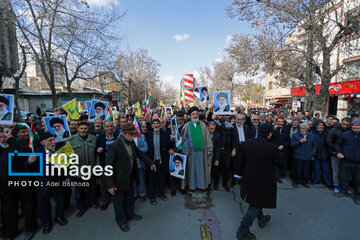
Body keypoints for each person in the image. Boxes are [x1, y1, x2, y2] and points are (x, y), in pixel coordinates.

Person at [235, 124, 285, 240]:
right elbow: (282, 164)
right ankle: (242, 231)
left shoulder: (247, 143)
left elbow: (240, 160)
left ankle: (261, 219)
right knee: (256, 204)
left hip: (249, 179)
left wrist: (238, 174)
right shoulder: (272, 148)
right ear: (270, 134)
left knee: (257, 201)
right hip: (264, 182)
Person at [104, 123, 156, 232]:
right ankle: (122, 221)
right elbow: (108, 167)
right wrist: (110, 185)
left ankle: (130, 214)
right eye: (131, 134)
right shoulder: (114, 146)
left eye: (133, 134)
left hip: (130, 177)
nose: (133, 136)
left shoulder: (131, 143)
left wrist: (150, 163)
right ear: (124, 134)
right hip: (118, 181)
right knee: (119, 202)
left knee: (130, 198)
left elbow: (140, 154)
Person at [0, 128, 37, 240]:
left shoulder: (19, 145)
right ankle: (10, 232)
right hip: (6, 186)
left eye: (4, 137)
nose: (3, 139)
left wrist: (11, 139)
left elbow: (25, 153)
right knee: (8, 209)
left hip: (23, 183)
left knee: (28, 207)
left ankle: (30, 229)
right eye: (0, 138)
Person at [33, 132, 68, 235]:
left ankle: (59, 217)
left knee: (60, 200)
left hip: (57, 181)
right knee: (43, 204)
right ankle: (46, 223)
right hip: (43, 183)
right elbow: (28, 167)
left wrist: (66, 177)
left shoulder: (59, 149)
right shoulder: (36, 152)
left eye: (54, 139)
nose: (53, 142)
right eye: (50, 140)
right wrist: (30, 161)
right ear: (42, 143)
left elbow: (65, 164)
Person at [67, 122, 98, 217]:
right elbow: (67, 158)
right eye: (81, 128)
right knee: (80, 191)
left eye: (85, 128)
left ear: (88, 129)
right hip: (78, 171)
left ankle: (92, 202)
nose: (83, 130)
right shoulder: (71, 141)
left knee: (92, 189)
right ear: (78, 129)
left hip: (91, 169)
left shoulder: (93, 139)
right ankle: (82, 207)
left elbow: (97, 155)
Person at [182, 106, 213, 192]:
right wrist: (186, 151)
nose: (195, 116)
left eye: (196, 114)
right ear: (190, 115)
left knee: (201, 170)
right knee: (192, 170)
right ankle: (192, 187)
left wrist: (209, 149)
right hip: (191, 153)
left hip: (202, 153)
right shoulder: (186, 126)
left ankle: (202, 186)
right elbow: (185, 139)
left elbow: (208, 137)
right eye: (193, 114)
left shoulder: (203, 125)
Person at [145, 119, 174, 205]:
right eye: (154, 124)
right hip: (151, 161)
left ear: (160, 125)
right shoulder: (147, 134)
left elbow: (169, 145)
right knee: (151, 180)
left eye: (158, 123)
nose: (156, 125)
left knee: (162, 179)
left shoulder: (165, 134)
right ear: (152, 125)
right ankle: (152, 197)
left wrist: (171, 140)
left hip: (162, 160)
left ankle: (161, 194)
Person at [334, 118, 360, 205]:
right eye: (353, 125)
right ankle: (343, 191)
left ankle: (358, 196)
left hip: (358, 162)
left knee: (358, 180)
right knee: (343, 177)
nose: (355, 127)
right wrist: (338, 152)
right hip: (345, 160)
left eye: (357, 125)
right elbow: (338, 144)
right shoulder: (345, 134)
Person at [96, 120, 119, 211]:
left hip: (116, 164)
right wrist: (98, 151)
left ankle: (116, 199)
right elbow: (96, 149)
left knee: (116, 182)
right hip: (104, 164)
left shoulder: (118, 136)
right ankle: (105, 201)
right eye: (107, 126)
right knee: (104, 185)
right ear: (104, 127)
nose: (109, 128)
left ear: (113, 127)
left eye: (111, 126)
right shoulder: (100, 137)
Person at [325, 117, 351, 193]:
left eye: (347, 125)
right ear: (341, 123)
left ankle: (344, 186)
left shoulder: (351, 130)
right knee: (336, 171)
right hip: (335, 154)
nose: (345, 126)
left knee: (346, 172)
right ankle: (336, 185)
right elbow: (328, 141)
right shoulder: (334, 130)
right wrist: (338, 150)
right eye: (344, 124)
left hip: (347, 155)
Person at [213, 115, 237, 192]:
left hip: (227, 149)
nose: (222, 117)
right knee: (216, 167)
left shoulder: (230, 125)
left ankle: (225, 183)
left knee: (226, 168)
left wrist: (234, 149)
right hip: (217, 149)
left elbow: (233, 138)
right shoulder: (215, 124)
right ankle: (216, 183)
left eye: (223, 115)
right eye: (220, 115)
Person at [290, 123, 317, 188]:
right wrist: (300, 141)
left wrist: (312, 154)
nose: (302, 130)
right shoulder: (295, 135)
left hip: (308, 156)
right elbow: (292, 145)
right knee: (297, 170)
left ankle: (304, 182)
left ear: (307, 129)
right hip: (298, 156)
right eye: (301, 128)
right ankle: (296, 182)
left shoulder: (312, 136)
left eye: (304, 128)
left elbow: (314, 146)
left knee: (306, 170)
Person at [231, 113, 252, 187]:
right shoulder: (232, 127)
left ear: (243, 120)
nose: (239, 121)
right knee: (234, 164)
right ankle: (233, 181)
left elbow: (249, 138)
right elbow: (231, 139)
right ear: (236, 119)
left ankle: (240, 180)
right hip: (236, 147)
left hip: (244, 147)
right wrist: (233, 148)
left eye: (241, 119)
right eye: (238, 119)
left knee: (242, 164)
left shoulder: (247, 127)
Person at [312, 120, 332, 188]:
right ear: (316, 126)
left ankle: (327, 182)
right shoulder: (312, 133)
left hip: (325, 154)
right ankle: (316, 180)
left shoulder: (327, 133)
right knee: (316, 169)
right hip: (316, 154)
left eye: (322, 125)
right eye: (319, 125)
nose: (321, 126)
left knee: (326, 170)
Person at [271, 117, 290, 183]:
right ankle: (276, 177)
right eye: (279, 121)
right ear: (276, 122)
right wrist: (273, 130)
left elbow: (288, 140)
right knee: (275, 164)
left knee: (282, 163)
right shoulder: (273, 129)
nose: (280, 123)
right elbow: (270, 139)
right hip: (275, 149)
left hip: (283, 149)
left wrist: (283, 145)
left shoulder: (286, 130)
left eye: (281, 122)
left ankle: (282, 174)